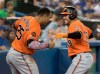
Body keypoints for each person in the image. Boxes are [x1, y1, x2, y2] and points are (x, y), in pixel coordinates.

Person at [6, 7, 52, 74]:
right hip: (20, 55)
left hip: (11, 53)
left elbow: (14, 25)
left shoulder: (26, 18)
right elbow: (31, 44)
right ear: (45, 16)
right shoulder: (36, 27)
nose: (48, 21)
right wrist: (48, 45)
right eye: (48, 18)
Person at [55, 6, 94, 74]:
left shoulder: (74, 24)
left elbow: (78, 34)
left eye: (65, 15)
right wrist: (83, 40)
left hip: (81, 57)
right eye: (63, 16)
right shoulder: (81, 25)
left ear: (72, 15)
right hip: (85, 57)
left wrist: (66, 35)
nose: (64, 18)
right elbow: (90, 34)